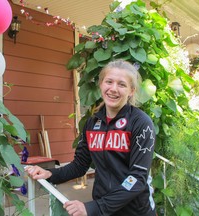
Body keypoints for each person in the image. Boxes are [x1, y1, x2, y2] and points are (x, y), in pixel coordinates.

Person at [25, 59, 156, 216]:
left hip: (135, 211)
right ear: (101, 84)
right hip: (103, 208)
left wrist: (96, 207)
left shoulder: (141, 123)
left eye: (122, 84)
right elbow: (80, 165)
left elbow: (137, 178)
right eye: (109, 82)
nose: (113, 89)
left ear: (132, 91)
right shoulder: (92, 123)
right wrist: (51, 174)